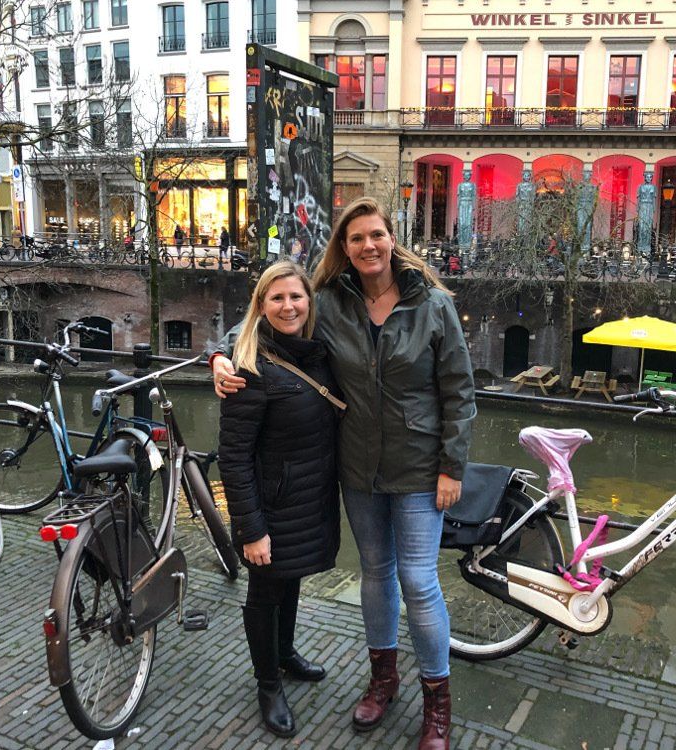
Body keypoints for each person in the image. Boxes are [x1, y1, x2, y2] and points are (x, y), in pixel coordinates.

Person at [212, 197, 475, 750]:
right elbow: (271, 312)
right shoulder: (331, 301)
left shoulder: (432, 304)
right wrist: (218, 355)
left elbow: (459, 389)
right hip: (356, 467)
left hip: (421, 468)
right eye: (356, 239)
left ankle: (437, 704)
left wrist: (452, 465)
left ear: (391, 238)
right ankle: (383, 681)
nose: (368, 246)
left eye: (376, 235)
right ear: (344, 247)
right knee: (376, 575)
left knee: (420, 583)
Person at [217, 261, 341, 738]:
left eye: (296, 297)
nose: (289, 306)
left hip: (307, 500)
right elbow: (234, 457)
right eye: (277, 298)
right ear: (261, 307)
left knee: (290, 582)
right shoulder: (248, 368)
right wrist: (252, 528)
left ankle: (285, 655)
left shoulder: (316, 352)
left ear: (309, 302)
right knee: (265, 592)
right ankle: (267, 684)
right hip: (271, 505)